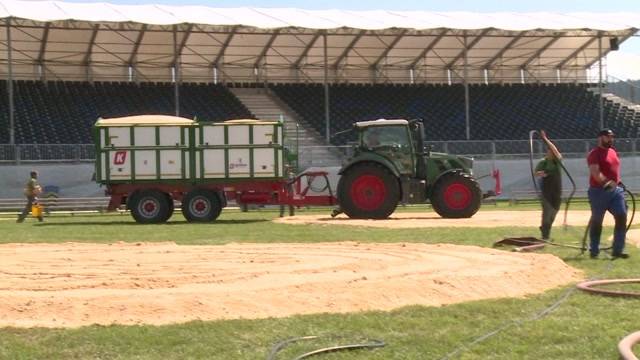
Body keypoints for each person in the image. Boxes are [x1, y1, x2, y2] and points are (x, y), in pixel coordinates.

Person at [586, 128, 628, 259]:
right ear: (600, 138)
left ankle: (617, 250)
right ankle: (594, 250)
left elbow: (614, 170)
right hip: (599, 191)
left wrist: (618, 183)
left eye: (612, 137)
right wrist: (607, 183)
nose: (611, 139)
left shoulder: (613, 152)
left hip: (616, 191)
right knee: (597, 221)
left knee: (621, 216)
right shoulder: (594, 153)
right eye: (608, 137)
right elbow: (595, 173)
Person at [535, 130, 563, 240]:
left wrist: (545, 139)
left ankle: (545, 228)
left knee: (555, 210)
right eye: (549, 151)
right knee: (547, 211)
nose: (551, 152)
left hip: (557, 190)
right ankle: (545, 235)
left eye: (552, 151)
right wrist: (541, 173)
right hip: (546, 190)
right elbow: (536, 173)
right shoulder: (543, 162)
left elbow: (556, 151)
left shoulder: (558, 161)